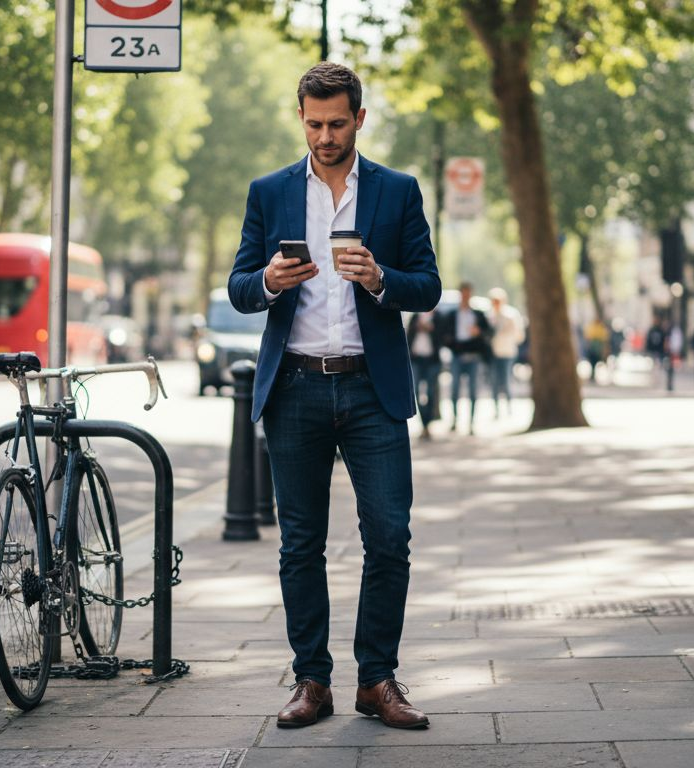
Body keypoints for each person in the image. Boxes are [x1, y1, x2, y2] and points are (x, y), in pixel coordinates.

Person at [226, 62, 440, 731]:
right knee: (300, 544)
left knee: (389, 537)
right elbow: (238, 287)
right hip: (293, 387)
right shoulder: (271, 192)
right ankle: (310, 680)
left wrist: (381, 278)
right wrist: (268, 279)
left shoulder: (398, 192)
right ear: (301, 119)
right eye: (314, 123)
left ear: (359, 119)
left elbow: (427, 285)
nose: (325, 135)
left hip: (372, 388)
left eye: (337, 123)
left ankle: (376, 679)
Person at [440, 281, 490, 434]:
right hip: (457, 355)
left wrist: (479, 332)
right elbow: (444, 335)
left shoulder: (478, 314)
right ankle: (454, 420)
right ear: (460, 294)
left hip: (473, 356)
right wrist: (453, 345)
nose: (466, 296)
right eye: (464, 293)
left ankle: (471, 423)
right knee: (454, 390)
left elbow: (488, 332)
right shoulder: (452, 315)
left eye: (468, 293)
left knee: (473, 391)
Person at [486, 288, 524, 416]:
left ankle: (508, 408)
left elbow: (519, 335)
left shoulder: (511, 315)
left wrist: (504, 336)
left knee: (506, 381)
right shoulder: (489, 315)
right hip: (493, 352)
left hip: (507, 352)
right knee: (494, 381)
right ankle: (496, 409)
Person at [407, 310, 442, 439]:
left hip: (432, 360)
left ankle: (428, 423)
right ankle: (424, 423)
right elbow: (407, 336)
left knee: (431, 393)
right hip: (416, 359)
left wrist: (430, 329)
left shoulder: (438, 317)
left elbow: (443, 336)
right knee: (416, 391)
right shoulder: (415, 316)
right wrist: (417, 328)